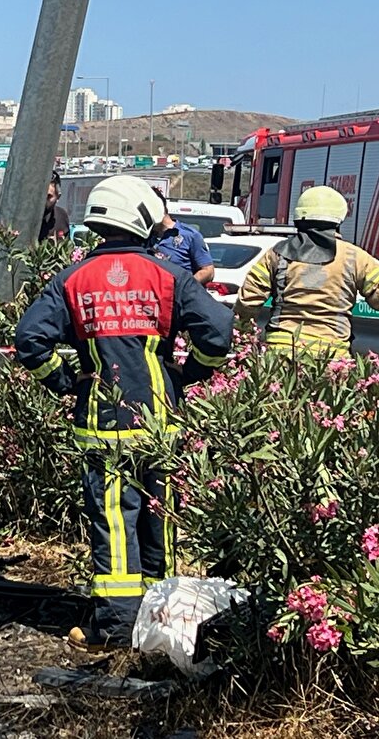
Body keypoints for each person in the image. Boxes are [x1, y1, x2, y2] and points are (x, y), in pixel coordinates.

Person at [16, 175, 233, 651]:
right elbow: (218, 333)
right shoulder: (167, 275)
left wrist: (64, 381)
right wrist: (187, 375)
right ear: (139, 219)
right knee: (160, 518)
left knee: (114, 524)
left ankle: (116, 628)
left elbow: (29, 340)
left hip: (102, 426)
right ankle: (161, 623)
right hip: (159, 423)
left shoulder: (72, 279)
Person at [234, 186, 379, 356]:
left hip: (281, 352)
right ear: (339, 220)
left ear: (299, 218)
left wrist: (241, 337)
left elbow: (247, 302)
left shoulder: (276, 254)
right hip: (331, 355)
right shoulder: (355, 258)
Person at [149, 188, 215, 285]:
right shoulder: (143, 237)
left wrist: (183, 288)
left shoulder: (190, 235)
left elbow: (208, 271)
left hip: (178, 298)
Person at [38, 171, 70, 241]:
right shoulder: (24, 218)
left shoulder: (61, 216)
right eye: (40, 196)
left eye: (48, 196)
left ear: (58, 197)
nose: (42, 201)